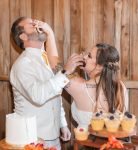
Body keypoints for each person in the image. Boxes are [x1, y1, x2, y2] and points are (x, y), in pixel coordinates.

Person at [10, 16, 83, 149]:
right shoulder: (22, 65)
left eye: (36, 21)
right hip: (32, 138)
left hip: (53, 135)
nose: (37, 24)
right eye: (32, 24)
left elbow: (54, 92)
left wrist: (62, 124)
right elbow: (38, 96)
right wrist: (65, 71)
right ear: (23, 37)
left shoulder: (46, 58)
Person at [64, 43, 129, 129]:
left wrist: (67, 68)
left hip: (85, 140)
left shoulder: (80, 87)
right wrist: (87, 70)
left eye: (89, 56)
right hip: (113, 141)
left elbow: (54, 65)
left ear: (99, 66)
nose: (84, 57)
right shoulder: (121, 87)